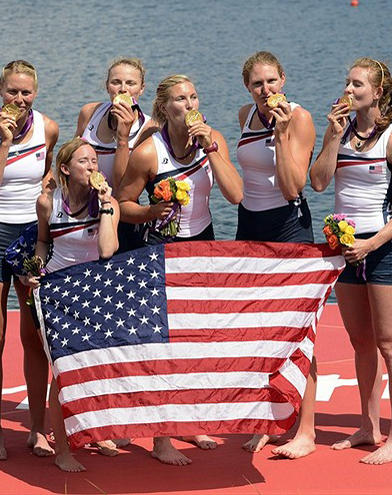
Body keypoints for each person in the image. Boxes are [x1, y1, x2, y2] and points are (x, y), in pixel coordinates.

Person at [117, 74, 243, 465]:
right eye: (179, 100)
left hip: (202, 246)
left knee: (196, 341)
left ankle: (187, 419)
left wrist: (213, 150)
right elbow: (123, 204)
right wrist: (152, 211)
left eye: (193, 97)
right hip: (160, 249)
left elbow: (236, 194)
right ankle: (161, 437)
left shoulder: (212, 139)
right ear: (164, 108)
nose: (188, 106)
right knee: (164, 345)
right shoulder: (149, 153)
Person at [310, 58, 392, 464]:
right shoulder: (340, 131)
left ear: (376, 92)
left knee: (391, 344)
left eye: (357, 84)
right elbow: (319, 182)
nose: (349, 89)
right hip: (345, 250)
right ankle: (368, 425)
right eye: (346, 81)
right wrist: (332, 138)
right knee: (361, 343)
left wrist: (371, 244)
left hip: (383, 250)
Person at [0, 60, 59, 460]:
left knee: (35, 337)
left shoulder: (48, 128)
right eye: (11, 92)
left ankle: (38, 429)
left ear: (35, 93)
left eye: (26, 92)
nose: (18, 99)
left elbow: (50, 173)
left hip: (31, 240)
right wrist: (3, 142)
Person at [233, 51, 318, 457]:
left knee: (298, 331)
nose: (265, 91)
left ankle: (306, 430)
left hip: (288, 226)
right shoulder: (243, 116)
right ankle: (268, 420)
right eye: (256, 84)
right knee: (261, 330)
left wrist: (282, 135)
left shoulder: (298, 118)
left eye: (271, 82)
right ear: (247, 88)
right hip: (249, 226)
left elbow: (291, 187)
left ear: (283, 79)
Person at [23, 136, 120, 471]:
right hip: (57, 295)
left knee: (97, 369)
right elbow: (41, 242)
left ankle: (96, 431)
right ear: (65, 168)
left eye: (94, 161)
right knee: (63, 373)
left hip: (95, 293)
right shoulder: (49, 202)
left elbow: (107, 250)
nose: (92, 167)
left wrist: (106, 204)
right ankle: (62, 449)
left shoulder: (109, 203)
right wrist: (32, 273)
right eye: (83, 162)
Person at [76, 57, 158, 254]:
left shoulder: (150, 129)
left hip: (120, 216)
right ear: (107, 86)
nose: (123, 89)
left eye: (131, 83)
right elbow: (71, 159)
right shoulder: (90, 112)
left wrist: (123, 139)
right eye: (116, 82)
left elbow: (123, 190)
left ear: (141, 88)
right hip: (81, 210)